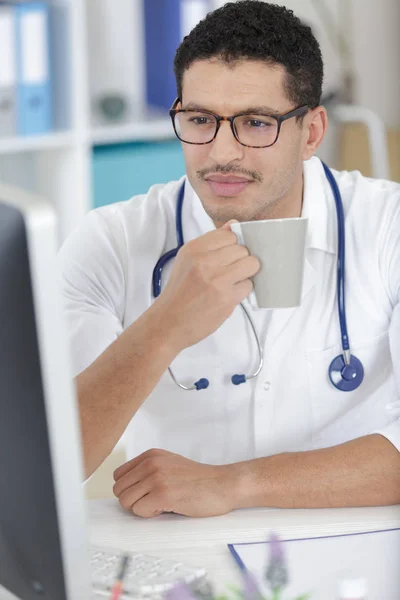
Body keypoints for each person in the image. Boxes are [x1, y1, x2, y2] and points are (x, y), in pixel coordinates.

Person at [58, 0, 400, 518]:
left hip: (353, 548)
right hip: (181, 554)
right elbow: (55, 460)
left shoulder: (388, 227)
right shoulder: (111, 241)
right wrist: (162, 328)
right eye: (199, 120)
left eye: (256, 123)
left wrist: (235, 484)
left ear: (311, 132)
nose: (221, 153)